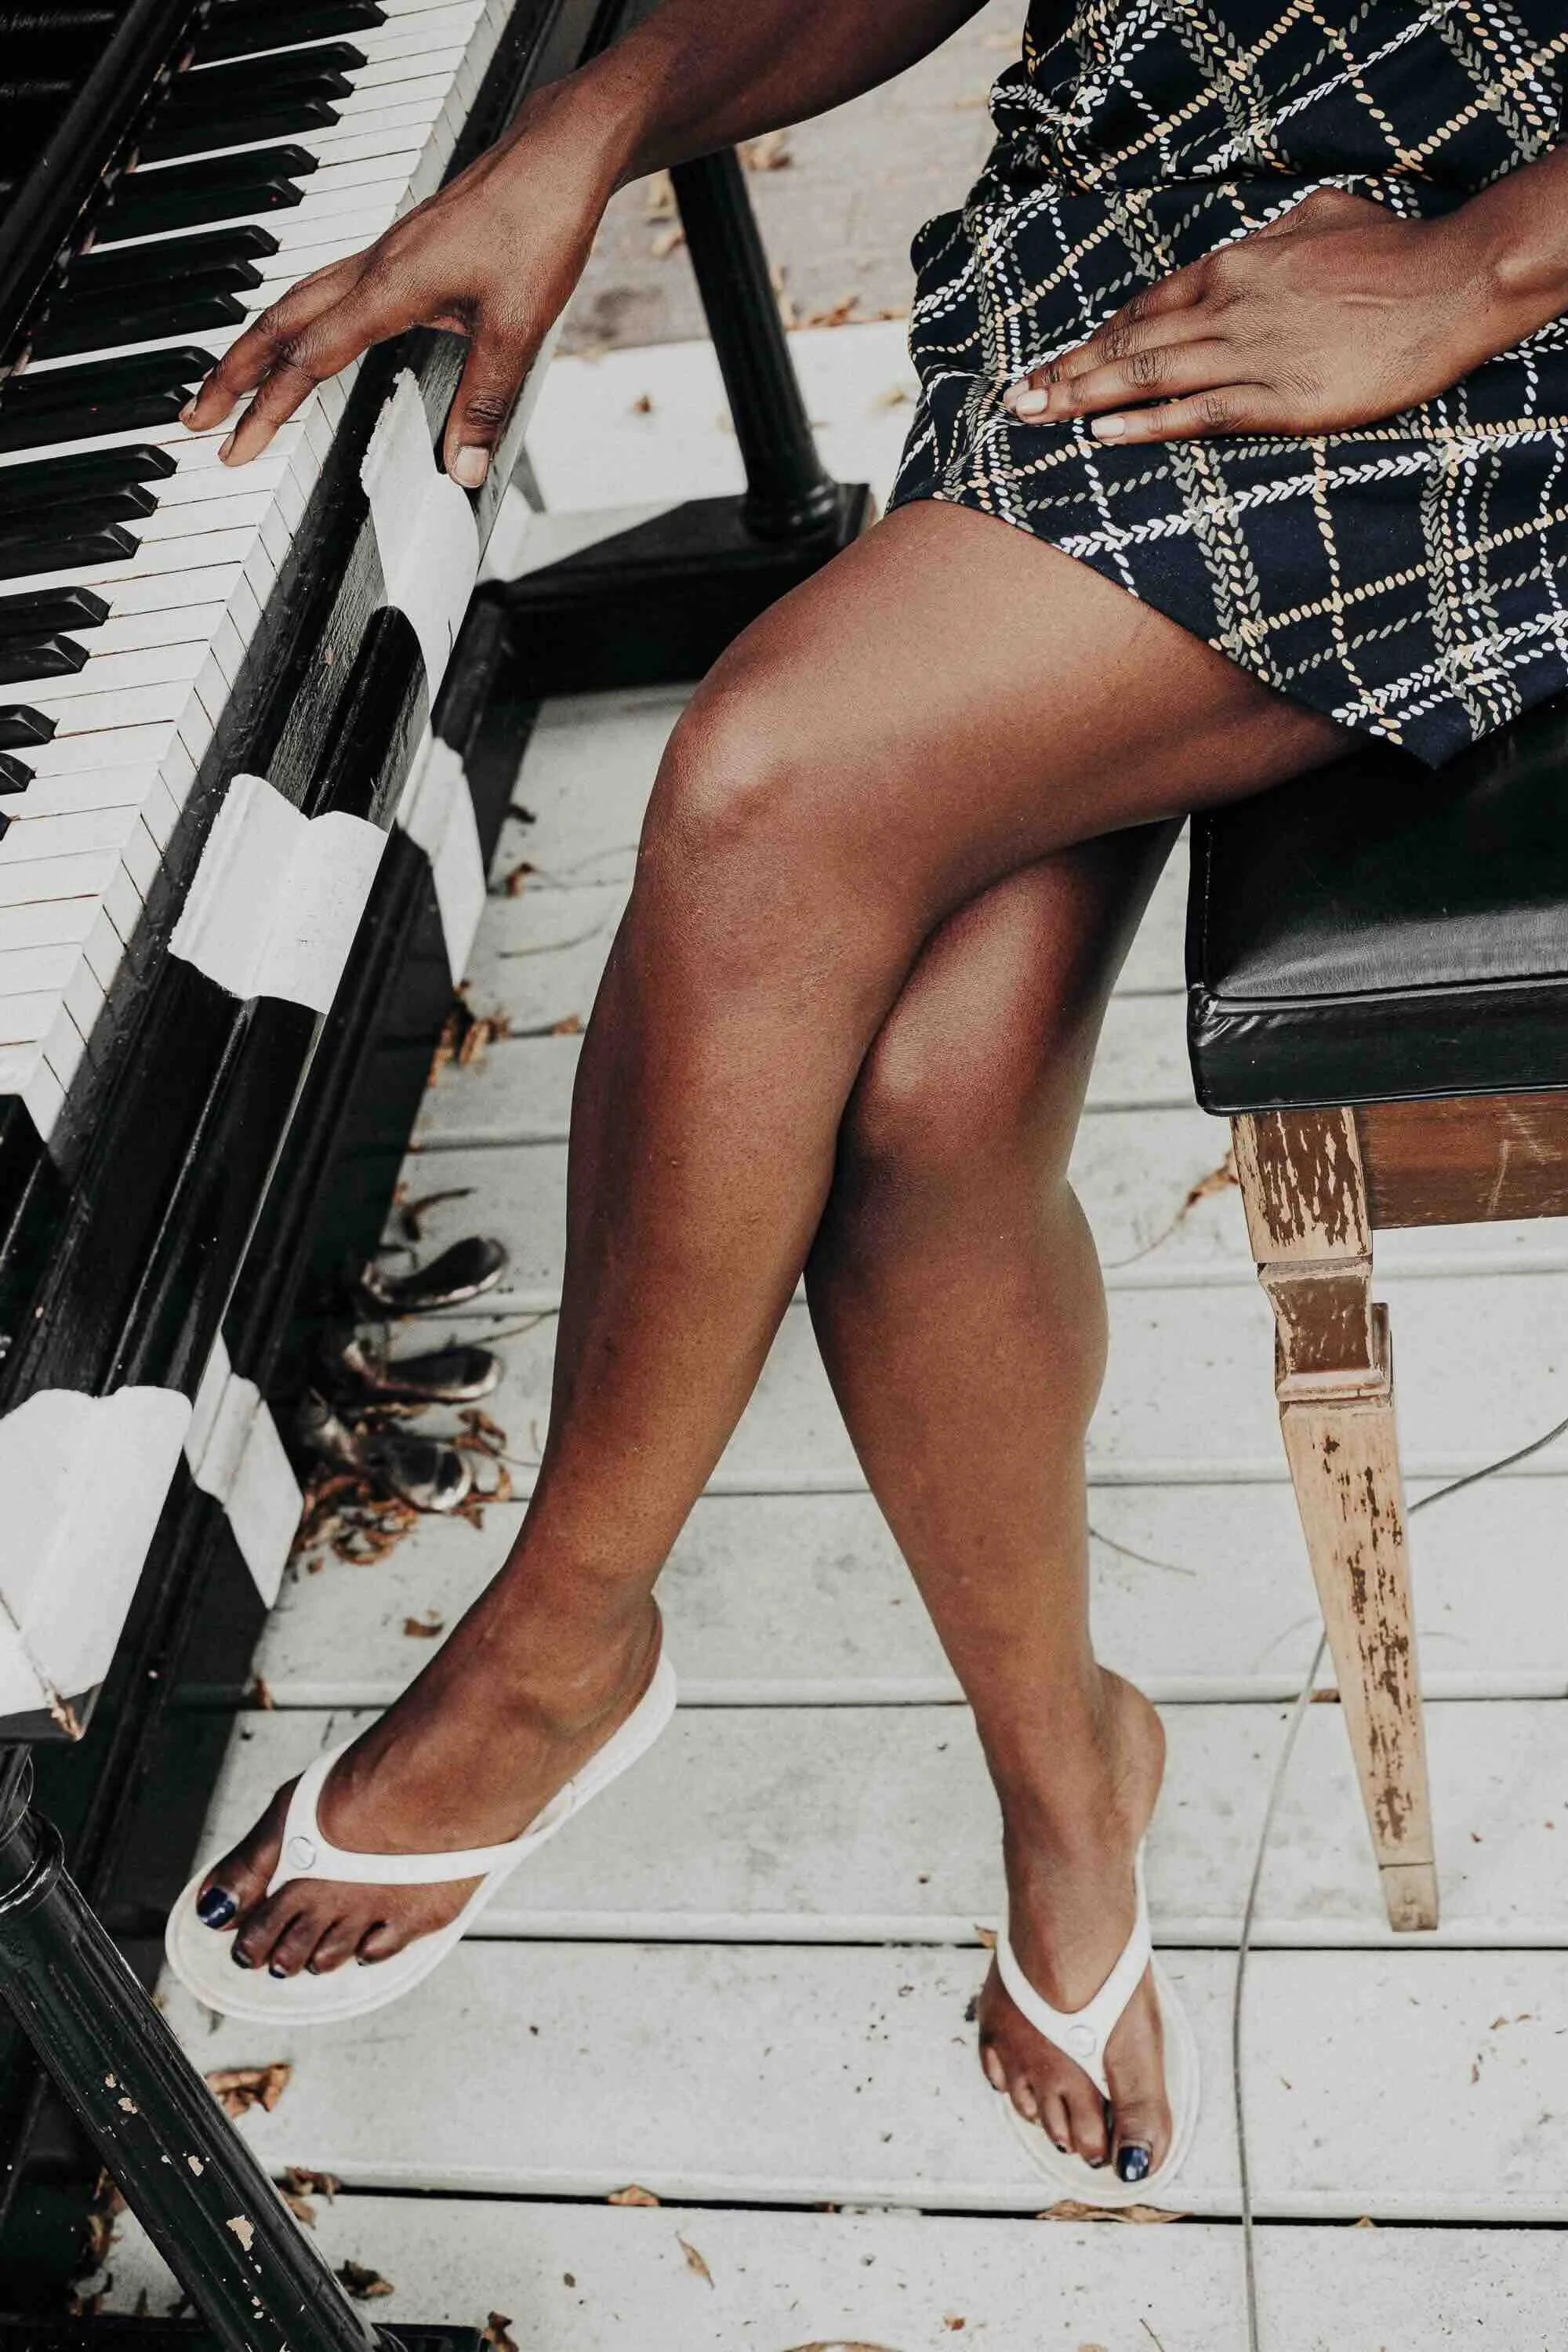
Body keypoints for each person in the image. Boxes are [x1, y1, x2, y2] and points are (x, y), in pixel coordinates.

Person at [165, 0, 1568, 2202]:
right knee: (923, 1104)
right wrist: (599, 119)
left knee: (768, 786)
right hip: (1143, 202)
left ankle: (557, 1644)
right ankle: (1072, 1782)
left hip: (1494, 251)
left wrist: (1493, 259)